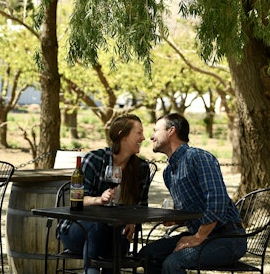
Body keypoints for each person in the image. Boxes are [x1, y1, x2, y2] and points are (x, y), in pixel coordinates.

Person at [139, 113, 246, 274]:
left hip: (228, 238)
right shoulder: (168, 172)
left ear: (171, 131)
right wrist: (178, 220)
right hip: (202, 234)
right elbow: (195, 211)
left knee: (173, 263)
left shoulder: (197, 157)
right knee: (147, 254)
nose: (151, 137)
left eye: (156, 130)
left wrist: (197, 238)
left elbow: (217, 201)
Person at [57, 114, 151, 273]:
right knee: (98, 225)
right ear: (123, 135)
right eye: (139, 133)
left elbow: (141, 206)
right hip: (77, 230)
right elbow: (78, 200)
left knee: (119, 243)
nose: (143, 138)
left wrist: (132, 222)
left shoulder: (141, 168)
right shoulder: (94, 159)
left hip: (113, 232)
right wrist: (99, 200)